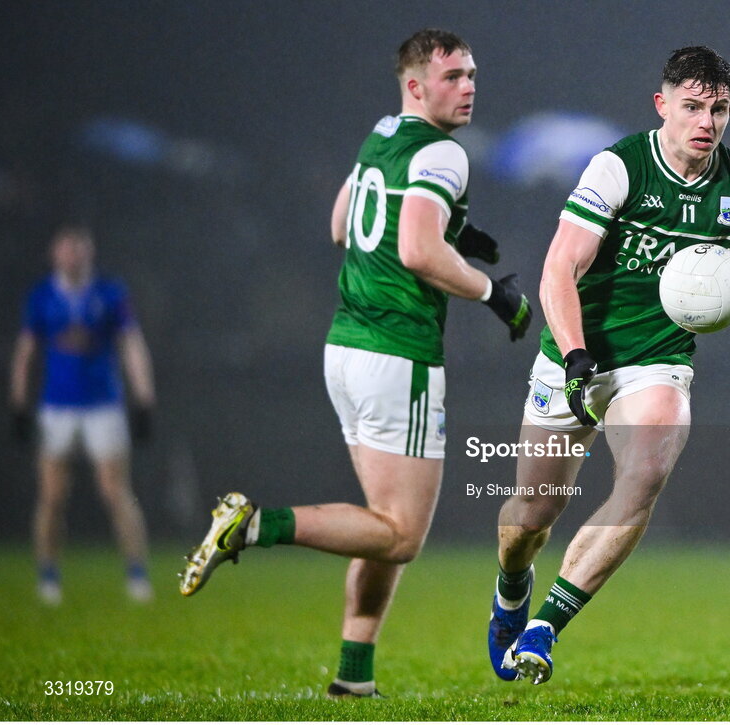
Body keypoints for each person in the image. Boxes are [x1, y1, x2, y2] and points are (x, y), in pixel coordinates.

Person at [179, 28, 531, 699]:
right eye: (452, 76)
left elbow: (342, 223)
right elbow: (419, 251)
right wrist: (496, 293)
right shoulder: (442, 153)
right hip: (398, 354)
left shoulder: (381, 135)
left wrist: (452, 227)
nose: (468, 87)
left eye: (471, 74)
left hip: (344, 347)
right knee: (399, 536)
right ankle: (254, 523)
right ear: (415, 86)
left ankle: (354, 677)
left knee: (380, 523)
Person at [487, 46, 730, 685]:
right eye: (692, 107)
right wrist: (577, 356)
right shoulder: (619, 166)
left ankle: (547, 625)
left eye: (718, 110)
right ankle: (511, 591)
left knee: (649, 466)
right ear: (662, 105)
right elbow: (560, 268)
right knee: (529, 518)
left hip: (656, 363)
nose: (706, 123)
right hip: (573, 354)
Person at [9, 224, 157, 605]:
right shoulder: (41, 297)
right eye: (66, 249)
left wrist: (143, 398)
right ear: (54, 254)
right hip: (56, 408)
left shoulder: (110, 294)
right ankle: (48, 576)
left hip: (103, 405)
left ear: (89, 253)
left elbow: (131, 345)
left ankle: (137, 574)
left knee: (115, 491)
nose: (73, 255)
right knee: (53, 495)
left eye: (80, 248)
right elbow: (26, 353)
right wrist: (19, 404)